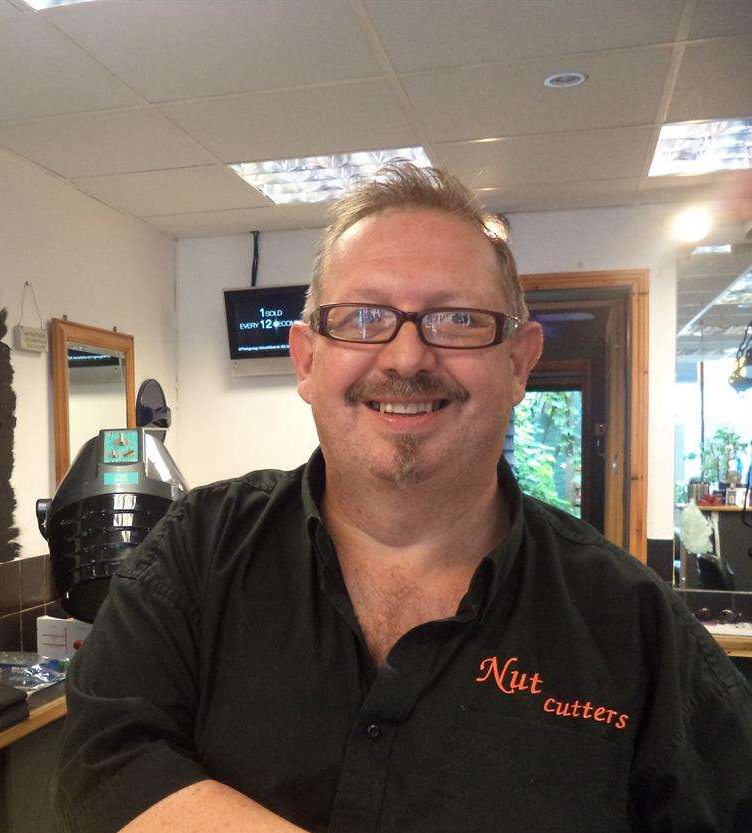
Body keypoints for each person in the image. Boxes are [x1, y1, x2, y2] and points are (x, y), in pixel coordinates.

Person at [54, 164, 752, 833]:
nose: (407, 358)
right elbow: (106, 760)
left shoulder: (632, 624)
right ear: (306, 359)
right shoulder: (196, 552)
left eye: (456, 319)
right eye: (362, 318)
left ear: (518, 362)